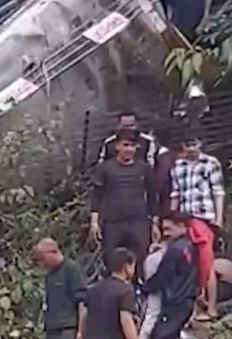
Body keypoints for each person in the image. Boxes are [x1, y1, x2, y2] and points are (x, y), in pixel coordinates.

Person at [170, 131, 225, 320]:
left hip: (204, 218)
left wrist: (219, 218)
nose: (192, 148)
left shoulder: (211, 163)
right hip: (184, 219)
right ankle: (194, 307)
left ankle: (211, 308)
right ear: (182, 147)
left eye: (195, 144)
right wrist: (171, 218)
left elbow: (218, 192)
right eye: (188, 144)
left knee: (206, 263)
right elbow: (175, 194)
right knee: (189, 263)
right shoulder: (178, 165)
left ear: (201, 144)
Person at [90, 129, 160, 277]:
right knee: (111, 260)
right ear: (117, 146)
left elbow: (153, 196)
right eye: (126, 145)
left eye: (133, 146)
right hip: (113, 222)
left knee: (141, 260)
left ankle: (139, 294)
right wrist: (94, 222)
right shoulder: (105, 168)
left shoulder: (144, 168)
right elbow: (97, 195)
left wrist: (155, 223)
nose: (129, 149)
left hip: (138, 221)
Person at [145, 212, 199, 339]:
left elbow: (162, 276)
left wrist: (145, 287)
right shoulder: (190, 246)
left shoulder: (175, 249)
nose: (165, 234)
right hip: (186, 301)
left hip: (174, 302)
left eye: (168, 229)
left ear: (180, 226)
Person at [32, 238, 86, 339]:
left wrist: (80, 330)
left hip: (67, 329)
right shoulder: (49, 275)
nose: (43, 263)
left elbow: (82, 302)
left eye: (43, 258)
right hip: (52, 329)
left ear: (53, 251)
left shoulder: (71, 269)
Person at [80, 247, 138, 339]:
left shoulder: (93, 288)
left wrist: (81, 334)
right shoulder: (126, 290)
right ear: (126, 266)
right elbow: (126, 320)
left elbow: (84, 316)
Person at [140, 242, 167, 339]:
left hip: (155, 290)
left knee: (152, 314)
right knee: (153, 315)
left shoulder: (153, 257)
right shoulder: (159, 257)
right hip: (160, 291)